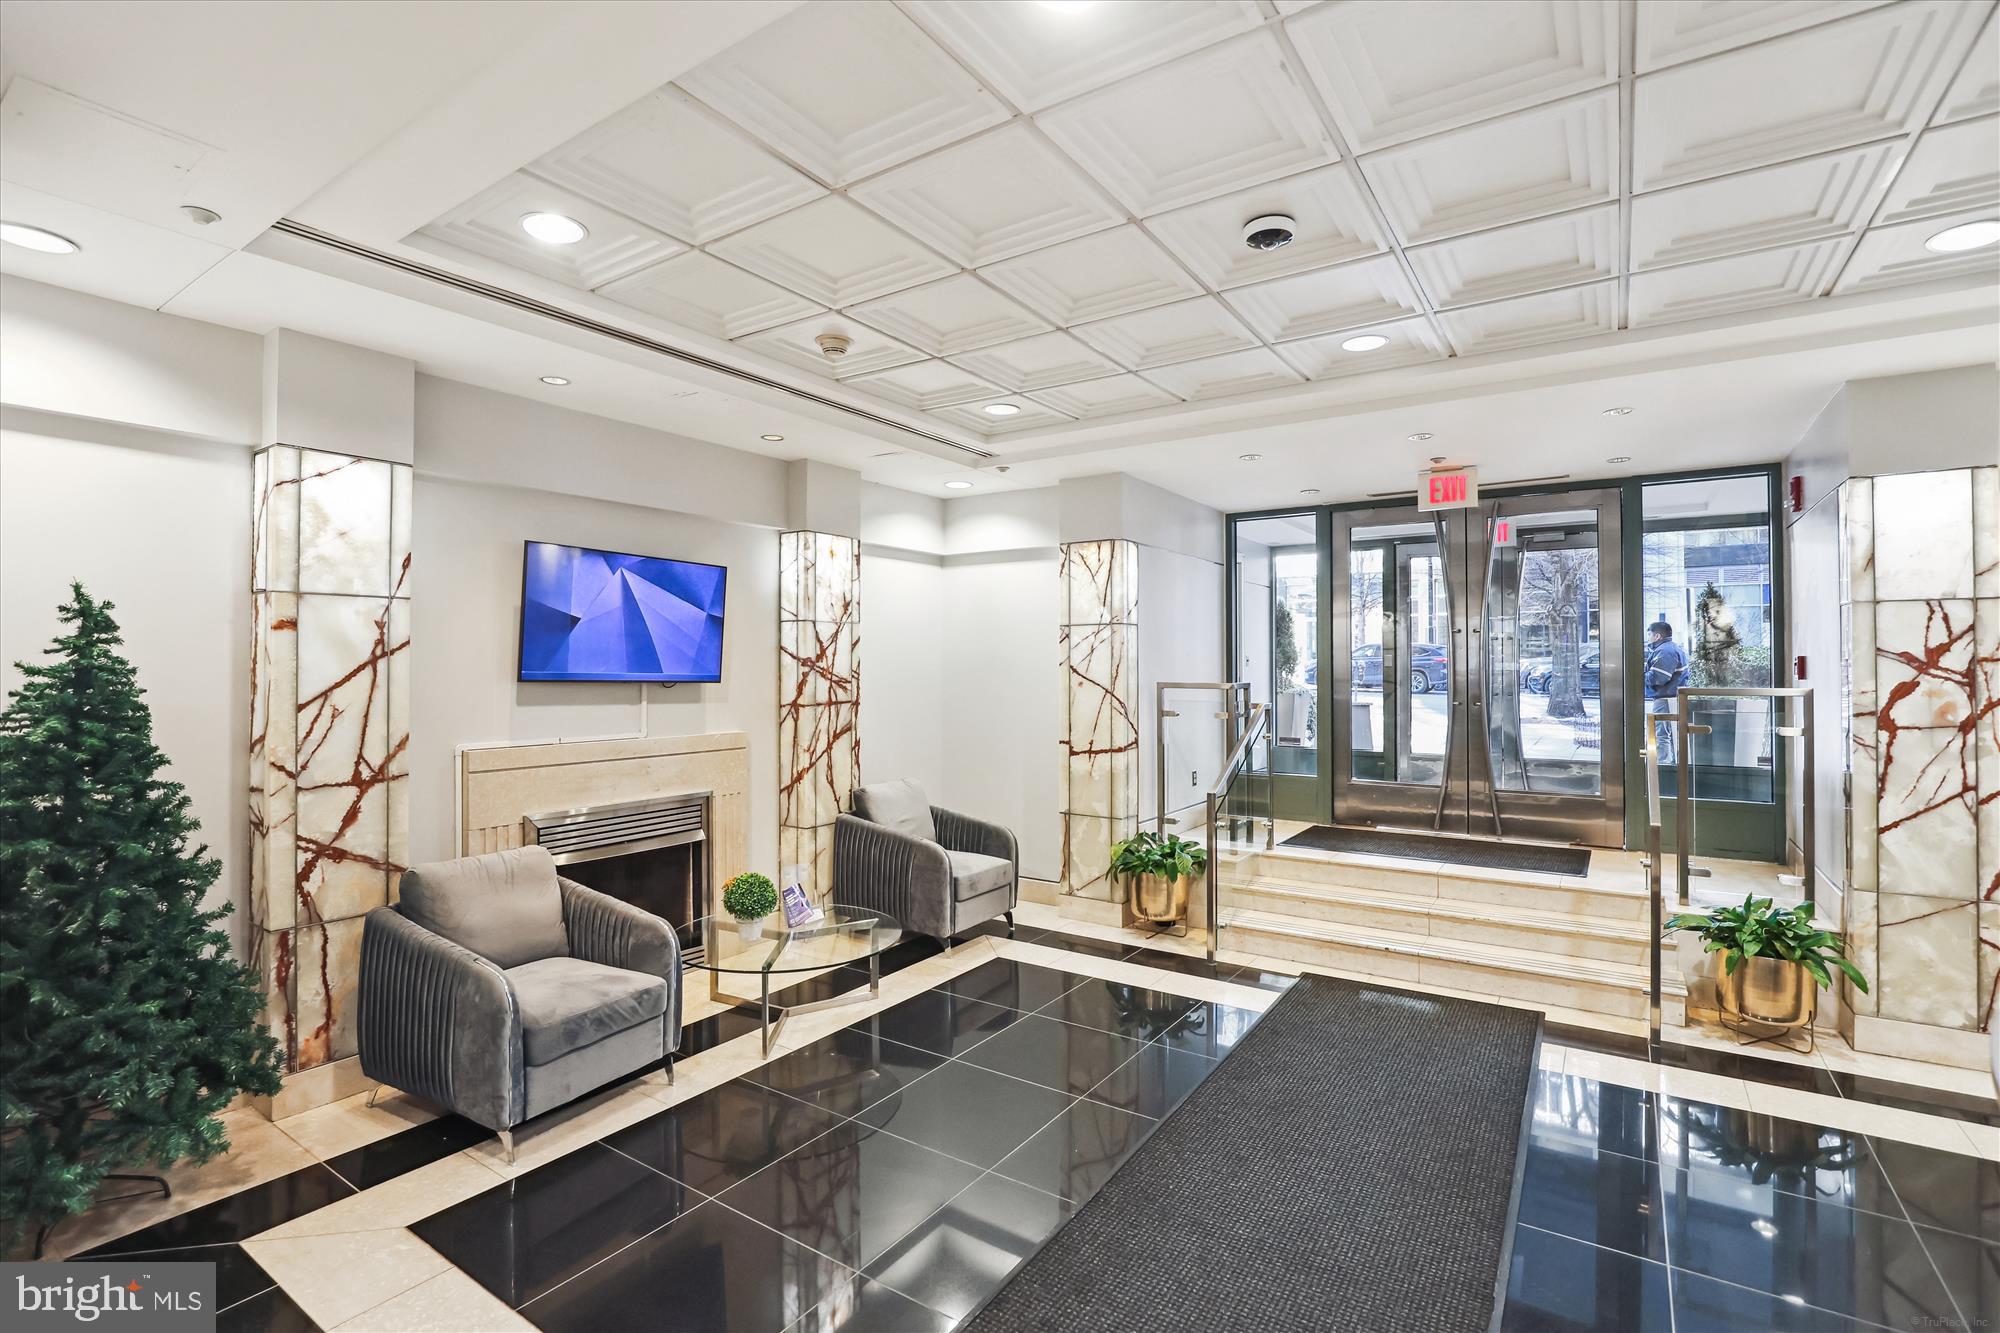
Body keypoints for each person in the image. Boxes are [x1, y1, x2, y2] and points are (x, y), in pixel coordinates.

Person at [1643, 619, 1689, 764]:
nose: (1648, 638)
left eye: (1650, 634)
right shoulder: (1670, 648)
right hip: (1670, 697)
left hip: (1665, 698)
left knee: (1662, 734)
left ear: (1657, 636)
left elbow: (1658, 677)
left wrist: (1641, 674)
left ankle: (1662, 766)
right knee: (1667, 733)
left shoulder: (1665, 651)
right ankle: (1668, 763)